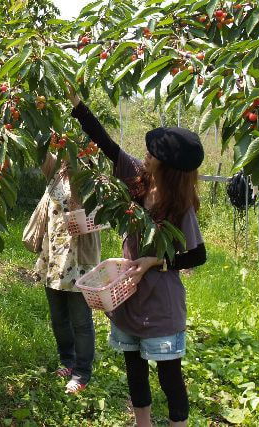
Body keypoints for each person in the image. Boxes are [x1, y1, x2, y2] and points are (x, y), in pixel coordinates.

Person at [67, 83, 206, 426]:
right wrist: (77, 104)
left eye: (153, 152)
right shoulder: (137, 182)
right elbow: (108, 145)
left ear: (168, 165)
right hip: (127, 295)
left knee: (169, 375)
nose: (145, 154)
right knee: (134, 367)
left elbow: (197, 255)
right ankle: (141, 422)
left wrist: (156, 262)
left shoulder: (180, 207)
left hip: (161, 304)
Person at [34, 151, 101, 394]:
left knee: (81, 320)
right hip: (53, 257)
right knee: (59, 317)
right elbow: (38, 147)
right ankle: (67, 360)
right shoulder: (55, 173)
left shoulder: (91, 179)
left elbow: (102, 215)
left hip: (79, 259)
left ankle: (82, 371)